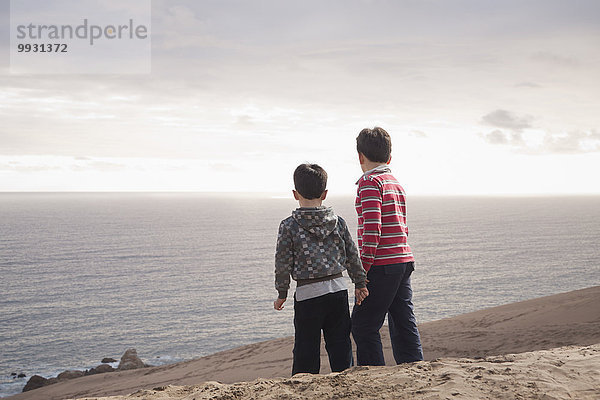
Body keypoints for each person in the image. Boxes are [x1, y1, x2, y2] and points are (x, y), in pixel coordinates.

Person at [274, 163, 369, 375]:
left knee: (306, 351)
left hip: (308, 295)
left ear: (295, 194)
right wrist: (360, 283)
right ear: (324, 194)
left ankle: (304, 391)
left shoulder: (289, 225)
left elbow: (282, 263)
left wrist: (282, 293)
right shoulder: (338, 222)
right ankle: (346, 385)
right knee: (340, 346)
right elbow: (352, 255)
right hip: (337, 291)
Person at [351, 127, 424, 366]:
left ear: (360, 156)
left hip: (382, 265)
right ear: (389, 157)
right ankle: (415, 368)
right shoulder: (395, 182)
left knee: (363, 324)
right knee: (403, 321)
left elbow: (372, 230)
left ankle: (373, 377)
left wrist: (361, 272)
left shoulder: (369, 183)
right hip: (403, 260)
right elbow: (402, 226)